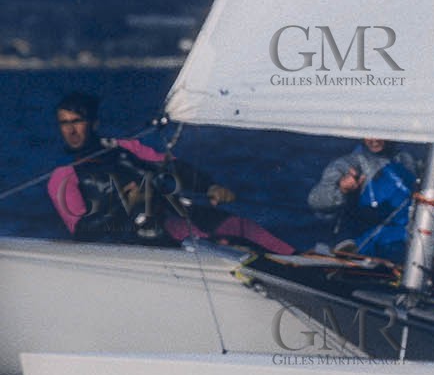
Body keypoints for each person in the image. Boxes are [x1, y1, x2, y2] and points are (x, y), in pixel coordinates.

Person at [47, 92, 293, 254]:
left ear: (93, 123)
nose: (71, 130)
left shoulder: (124, 149)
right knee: (215, 241)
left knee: (239, 226)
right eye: (64, 123)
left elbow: (173, 167)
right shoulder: (64, 177)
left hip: (169, 219)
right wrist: (126, 205)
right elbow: (81, 232)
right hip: (130, 243)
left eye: (77, 121)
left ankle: (301, 260)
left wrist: (209, 187)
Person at [307, 137, 420, 251]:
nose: (374, 139)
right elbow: (316, 201)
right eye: (369, 134)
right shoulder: (348, 164)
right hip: (359, 247)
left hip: (401, 244)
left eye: (380, 133)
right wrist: (342, 189)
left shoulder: (406, 160)